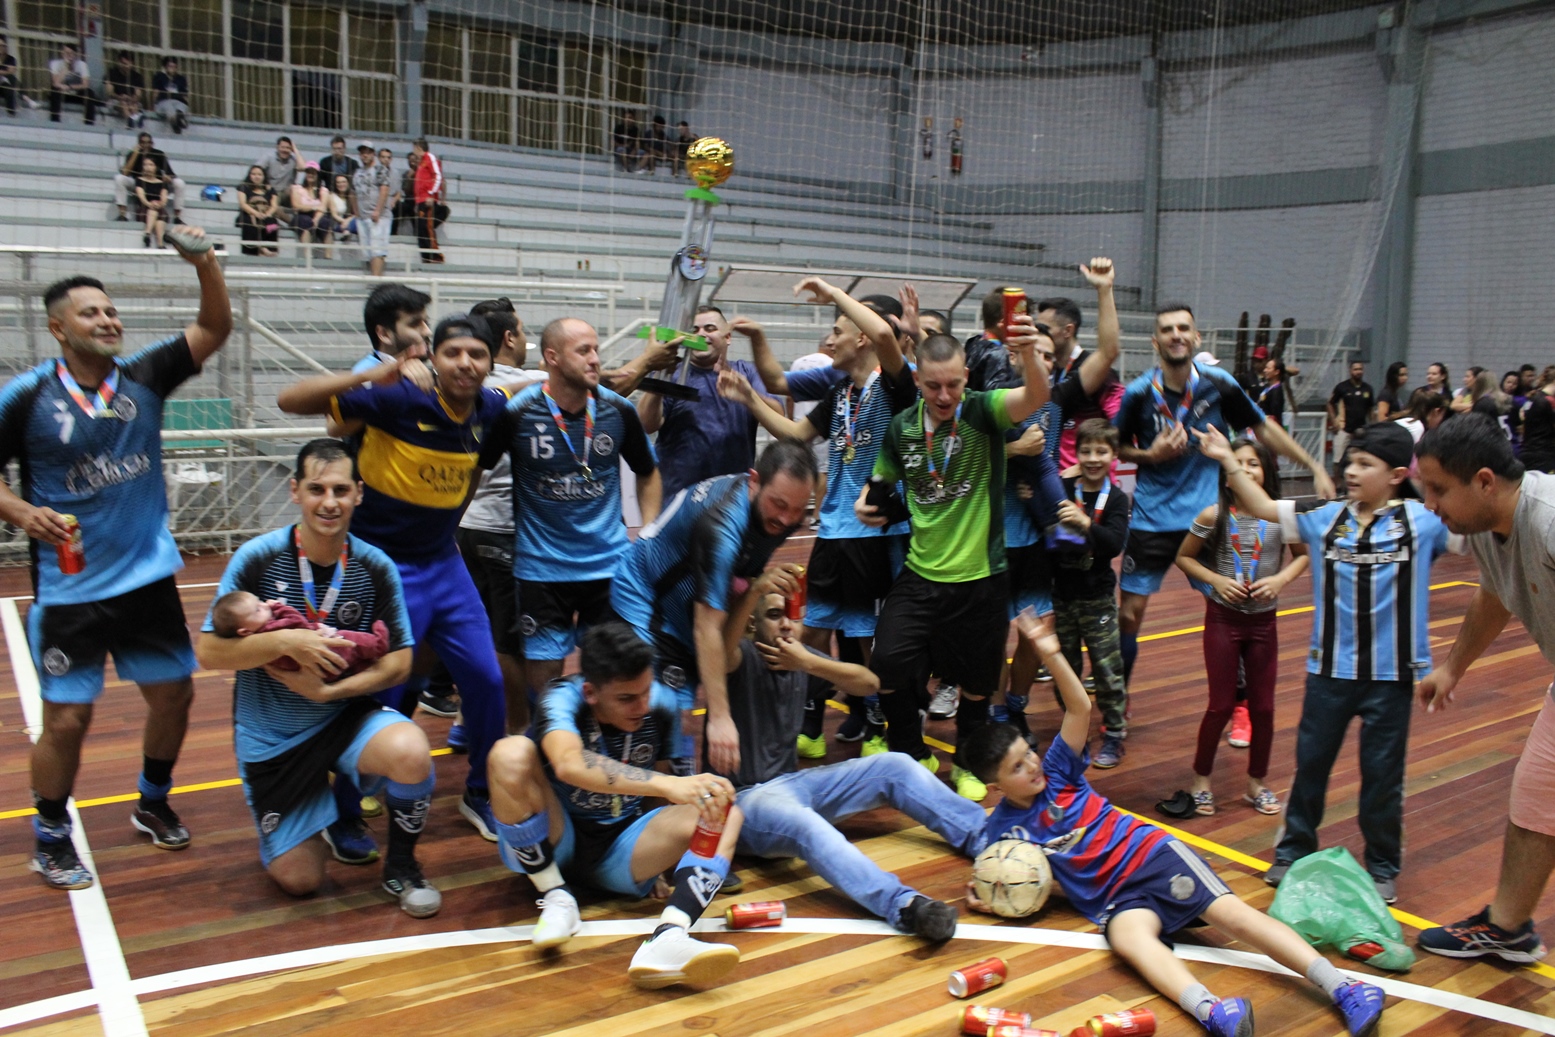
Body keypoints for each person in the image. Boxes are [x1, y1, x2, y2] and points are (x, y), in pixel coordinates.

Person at [958, 611, 1387, 1037]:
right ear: (995, 787)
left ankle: (1345, 987)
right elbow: (999, 873)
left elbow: (1080, 706)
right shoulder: (1003, 833)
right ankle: (1213, 1011)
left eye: (1028, 752)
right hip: (1113, 898)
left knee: (1234, 917)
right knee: (1130, 942)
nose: (1032, 765)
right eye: (1017, 767)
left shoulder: (1058, 771)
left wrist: (1051, 653)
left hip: (1151, 857)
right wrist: (992, 896)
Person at [0, 230, 230, 890]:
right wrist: (22, 513)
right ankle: (50, 834)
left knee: (174, 695)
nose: (107, 320)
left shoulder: (145, 375)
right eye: (90, 313)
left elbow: (215, 327)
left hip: (146, 579)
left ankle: (152, 800)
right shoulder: (26, 396)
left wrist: (204, 263)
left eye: (111, 310)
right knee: (68, 718)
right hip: (70, 589)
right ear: (58, 328)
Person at [1195, 421, 1462, 905]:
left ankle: (1382, 866)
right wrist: (1227, 459)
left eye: (1364, 464)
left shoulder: (1425, 521)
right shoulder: (1325, 515)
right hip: (1328, 674)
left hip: (1392, 678)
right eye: (1349, 461)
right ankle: (1292, 851)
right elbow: (1262, 506)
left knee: (1383, 777)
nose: (1350, 471)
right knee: (1311, 767)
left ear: (1398, 474)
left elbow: (1479, 528)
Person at [277, 314, 518, 850]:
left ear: (489, 363)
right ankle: (343, 812)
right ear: (433, 358)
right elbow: (288, 400)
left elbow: (498, 427)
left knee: (487, 681)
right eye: (452, 353)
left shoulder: (491, 407)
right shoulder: (397, 397)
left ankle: (480, 792)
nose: (465, 364)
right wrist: (374, 374)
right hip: (386, 568)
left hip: (444, 565)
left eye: (476, 355)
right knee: (378, 691)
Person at [194, 439, 440, 916]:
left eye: (341, 490)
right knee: (301, 881)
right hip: (274, 738)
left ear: (359, 494)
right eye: (317, 489)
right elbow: (209, 652)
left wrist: (331, 691)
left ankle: (402, 866)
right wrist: (288, 642)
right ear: (295, 491)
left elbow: (399, 663)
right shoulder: (257, 558)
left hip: (344, 718)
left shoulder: (375, 565)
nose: (329, 502)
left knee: (411, 750)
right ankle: (310, 817)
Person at [715, 565, 984, 941]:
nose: (787, 625)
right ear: (751, 624)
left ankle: (987, 839)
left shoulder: (799, 658)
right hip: (746, 803)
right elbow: (720, 649)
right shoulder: (739, 657)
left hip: (794, 784)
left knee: (895, 764)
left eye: (792, 614)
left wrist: (808, 662)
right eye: (775, 615)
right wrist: (754, 590)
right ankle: (903, 905)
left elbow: (869, 683)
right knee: (807, 823)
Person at [854, 319, 1051, 801]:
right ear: (917, 380)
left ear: (966, 378)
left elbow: (1036, 396)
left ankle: (966, 761)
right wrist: (864, 502)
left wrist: (1028, 354)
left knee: (978, 686)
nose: (944, 396)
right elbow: (880, 480)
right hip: (921, 574)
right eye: (933, 386)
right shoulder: (902, 427)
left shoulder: (983, 411)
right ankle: (910, 751)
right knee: (888, 665)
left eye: (953, 385)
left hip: (982, 578)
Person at [485, 622, 744, 987]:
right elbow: (569, 764)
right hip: (557, 837)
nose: (642, 706)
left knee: (724, 813)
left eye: (645, 692)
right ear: (590, 692)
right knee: (509, 753)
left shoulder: (664, 703)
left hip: (621, 848)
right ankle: (556, 895)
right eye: (626, 699)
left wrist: (660, 863)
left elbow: (659, 784)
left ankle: (669, 936)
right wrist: (671, 785)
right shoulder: (561, 697)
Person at [718, 277, 911, 753]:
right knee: (814, 628)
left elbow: (885, 335)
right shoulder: (841, 393)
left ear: (861, 338)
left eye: (837, 330)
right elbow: (794, 433)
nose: (829, 340)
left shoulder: (895, 383)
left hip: (875, 530)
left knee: (867, 635)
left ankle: (878, 725)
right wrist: (749, 399)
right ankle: (809, 724)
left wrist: (835, 293)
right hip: (834, 527)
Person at [1113, 304, 1332, 694]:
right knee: (1129, 614)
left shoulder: (1219, 383)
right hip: (1151, 518)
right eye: (1167, 329)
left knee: (1234, 607)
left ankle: (1241, 700)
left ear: (1196, 337)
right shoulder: (1139, 392)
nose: (1176, 335)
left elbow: (1263, 428)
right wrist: (1151, 455)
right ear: (1155, 341)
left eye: (1184, 328)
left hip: (1208, 517)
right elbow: (1117, 446)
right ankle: (1118, 701)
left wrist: (1313, 464)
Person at [1413, 415, 1555, 963]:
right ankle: (1508, 927)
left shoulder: (1548, 519)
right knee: (1537, 796)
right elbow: (1493, 596)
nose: (1430, 504)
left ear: (1485, 481)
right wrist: (1453, 668)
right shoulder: (1490, 529)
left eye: (1439, 489)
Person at [480, 317, 662, 711]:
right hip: (541, 571)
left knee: (613, 675)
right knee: (547, 689)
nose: (595, 359)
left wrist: (647, 535)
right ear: (553, 357)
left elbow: (648, 472)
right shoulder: (518, 413)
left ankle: (600, 741)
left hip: (608, 566)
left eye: (596, 349)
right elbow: (476, 468)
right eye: (584, 351)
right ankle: (553, 740)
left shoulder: (618, 410)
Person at [610, 440, 818, 776]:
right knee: (662, 712)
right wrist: (720, 718)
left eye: (797, 510)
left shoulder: (778, 511)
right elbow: (706, 627)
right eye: (779, 504)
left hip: (688, 598)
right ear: (754, 481)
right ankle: (644, 795)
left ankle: (673, 781)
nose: (786, 519)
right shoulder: (721, 526)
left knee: (682, 707)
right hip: (647, 598)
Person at [1175, 436, 1308, 815]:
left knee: (1263, 708)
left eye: (1254, 463)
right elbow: (1184, 557)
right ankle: (1201, 779)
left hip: (1264, 623)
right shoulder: (1213, 515)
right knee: (1219, 706)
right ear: (1226, 474)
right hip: (1223, 620)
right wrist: (1216, 580)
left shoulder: (1282, 516)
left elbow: (1302, 557)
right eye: (1239, 463)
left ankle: (1256, 783)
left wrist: (1280, 580)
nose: (1247, 470)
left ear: (1266, 471)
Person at [636, 306, 781, 500]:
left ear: (727, 337)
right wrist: (660, 377)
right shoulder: (672, 373)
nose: (701, 334)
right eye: (694, 330)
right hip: (678, 500)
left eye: (710, 328)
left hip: (732, 499)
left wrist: (748, 396)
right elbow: (645, 424)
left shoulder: (746, 372)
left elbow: (778, 415)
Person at [1050, 419, 1131, 763]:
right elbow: (1051, 534)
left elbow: (1113, 544)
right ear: (1076, 453)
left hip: (1097, 599)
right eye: (1086, 451)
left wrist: (1085, 524)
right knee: (1065, 672)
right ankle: (1075, 731)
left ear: (1114, 455)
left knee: (1107, 670)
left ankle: (1114, 733)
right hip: (1063, 597)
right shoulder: (1064, 489)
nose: (1093, 458)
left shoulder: (1116, 499)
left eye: (1101, 451)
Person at [1033, 287, 1127, 469]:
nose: (1040, 334)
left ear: (1068, 330)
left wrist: (1085, 465)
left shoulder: (1101, 373)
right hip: (1052, 477)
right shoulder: (1047, 372)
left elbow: (1122, 427)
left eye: (1046, 329)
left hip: (1086, 478)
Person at [210, 590, 391, 679]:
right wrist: (279, 607)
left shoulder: (256, 643)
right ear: (245, 631)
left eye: (260, 601)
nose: (265, 605)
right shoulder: (271, 629)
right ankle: (377, 644)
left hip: (318, 670)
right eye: (258, 609)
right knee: (350, 641)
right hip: (324, 657)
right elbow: (298, 623)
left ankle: (364, 664)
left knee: (354, 660)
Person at [114, 132, 186, 224]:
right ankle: (122, 215)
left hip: (157, 185)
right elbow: (125, 173)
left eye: (148, 142)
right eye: (143, 142)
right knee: (119, 179)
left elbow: (171, 174)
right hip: (138, 184)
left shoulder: (159, 154)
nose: (146, 145)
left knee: (179, 183)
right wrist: (135, 153)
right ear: (139, 143)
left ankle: (177, 217)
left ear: (152, 143)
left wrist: (168, 178)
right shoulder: (132, 154)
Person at [351, 142, 392, 276]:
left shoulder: (380, 169)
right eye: (362, 152)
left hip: (378, 217)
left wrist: (378, 210)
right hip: (363, 217)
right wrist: (356, 211)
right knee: (368, 251)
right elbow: (352, 192)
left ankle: (376, 280)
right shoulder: (357, 172)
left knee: (377, 251)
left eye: (368, 152)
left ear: (373, 154)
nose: (365, 155)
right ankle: (374, 278)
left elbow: (384, 190)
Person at [1327, 360, 1373, 478]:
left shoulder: (1368, 389)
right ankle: (1337, 484)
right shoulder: (1342, 387)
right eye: (1355, 369)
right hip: (1344, 429)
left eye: (1360, 369)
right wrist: (1334, 421)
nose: (1358, 372)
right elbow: (1330, 403)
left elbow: (1371, 409)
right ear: (1350, 371)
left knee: (1358, 458)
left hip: (1361, 431)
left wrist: (1373, 426)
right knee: (1338, 459)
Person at [290, 163, 335, 259]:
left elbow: (323, 207)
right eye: (308, 172)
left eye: (313, 173)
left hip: (319, 215)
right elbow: (296, 206)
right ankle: (307, 256)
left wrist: (316, 219)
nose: (310, 175)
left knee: (326, 223)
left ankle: (328, 256)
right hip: (301, 215)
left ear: (317, 175)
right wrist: (314, 207)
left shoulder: (323, 190)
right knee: (306, 222)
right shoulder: (297, 188)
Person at [411, 138, 444, 263]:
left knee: (427, 227)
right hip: (420, 201)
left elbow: (438, 176)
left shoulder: (429, 157)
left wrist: (431, 194)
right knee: (421, 228)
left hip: (427, 200)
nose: (413, 152)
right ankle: (426, 257)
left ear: (419, 148)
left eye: (414, 148)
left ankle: (435, 255)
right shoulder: (421, 163)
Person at [237, 164, 280, 256]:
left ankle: (270, 248)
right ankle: (255, 248)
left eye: (259, 174)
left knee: (272, 222)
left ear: (264, 176)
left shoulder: (270, 190)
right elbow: (243, 204)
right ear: (249, 175)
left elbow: (274, 206)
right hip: (248, 214)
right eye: (254, 174)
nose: (256, 177)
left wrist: (267, 214)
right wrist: (256, 213)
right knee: (248, 221)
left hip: (265, 214)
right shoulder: (243, 187)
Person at [48, 42, 96, 124]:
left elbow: (85, 84)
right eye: (66, 53)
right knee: (54, 90)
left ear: (75, 55)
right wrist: (65, 68)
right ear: (62, 54)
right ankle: (55, 121)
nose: (69, 55)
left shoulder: (81, 65)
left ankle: (89, 123)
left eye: (71, 53)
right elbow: (55, 83)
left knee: (89, 93)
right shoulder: (55, 63)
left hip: (76, 94)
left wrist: (69, 87)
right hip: (63, 94)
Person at [1519, 366, 1555, 474]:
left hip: (1528, 451)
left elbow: (1522, 416)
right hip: (1544, 454)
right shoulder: (1550, 401)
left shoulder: (1533, 397)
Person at [257, 136, 300, 217]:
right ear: (277, 147)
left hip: (286, 193)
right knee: (274, 206)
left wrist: (296, 150)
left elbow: (303, 168)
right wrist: (265, 183)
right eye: (282, 147)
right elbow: (257, 170)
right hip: (271, 191)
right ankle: (292, 222)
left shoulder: (293, 160)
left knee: (297, 190)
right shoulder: (269, 157)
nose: (285, 150)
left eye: (288, 148)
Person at [134, 157, 169, 249]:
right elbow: (141, 196)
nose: (148, 167)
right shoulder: (139, 181)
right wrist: (149, 204)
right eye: (145, 165)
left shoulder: (162, 183)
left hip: (158, 208)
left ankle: (149, 235)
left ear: (156, 167)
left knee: (159, 213)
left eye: (151, 165)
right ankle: (159, 242)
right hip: (143, 209)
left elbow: (164, 198)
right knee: (153, 211)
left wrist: (159, 204)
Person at [106, 51, 144, 128]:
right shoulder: (112, 73)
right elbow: (109, 92)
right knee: (123, 104)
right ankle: (131, 122)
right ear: (119, 62)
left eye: (127, 64)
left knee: (134, 105)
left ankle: (135, 123)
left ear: (132, 63)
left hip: (132, 102)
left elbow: (138, 94)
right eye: (123, 63)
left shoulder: (137, 76)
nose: (126, 66)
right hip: (115, 101)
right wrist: (119, 97)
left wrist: (131, 99)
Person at [151, 56, 189, 132]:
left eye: (174, 67)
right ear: (165, 67)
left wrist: (186, 105)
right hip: (163, 101)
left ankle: (178, 119)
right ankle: (176, 123)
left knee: (181, 107)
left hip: (178, 101)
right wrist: (153, 106)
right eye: (170, 66)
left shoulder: (181, 79)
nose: (172, 69)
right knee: (169, 107)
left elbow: (184, 96)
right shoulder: (159, 76)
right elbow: (156, 92)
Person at [1256, 356, 1290, 430]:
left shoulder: (1276, 392)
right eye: (1265, 368)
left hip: (1269, 429)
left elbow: (1275, 415)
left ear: (1276, 372)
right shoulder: (1268, 388)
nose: (1265, 370)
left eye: (1268, 368)